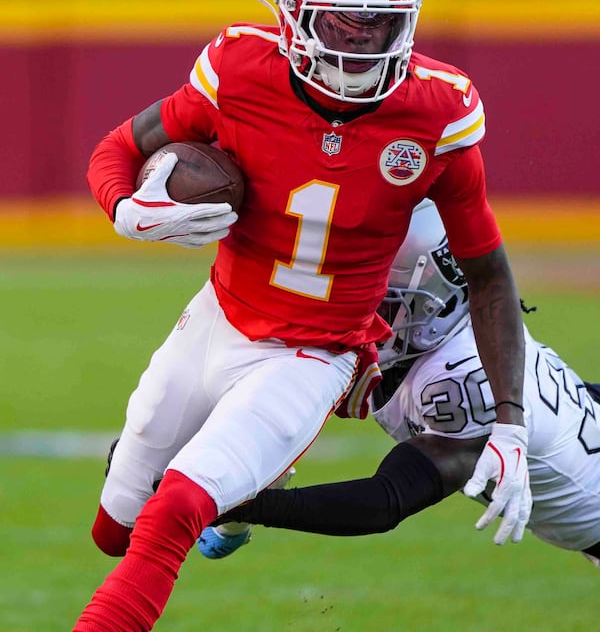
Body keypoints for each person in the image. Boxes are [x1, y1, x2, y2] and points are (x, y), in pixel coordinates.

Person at [74, 0, 531, 631]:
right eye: (340, 25)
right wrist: (124, 207)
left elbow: (491, 274)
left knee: (178, 507)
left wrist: (509, 422)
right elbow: (117, 147)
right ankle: (225, 507)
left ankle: (213, 502)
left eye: (377, 26)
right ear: (292, 16)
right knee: (115, 530)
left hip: (316, 352)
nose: (360, 45)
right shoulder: (239, 69)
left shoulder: (436, 111)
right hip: (219, 318)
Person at [213, 199, 600, 569]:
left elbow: (385, 500)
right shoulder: (459, 331)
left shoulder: (461, 382)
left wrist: (246, 506)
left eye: (373, 297)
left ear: (431, 300)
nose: (352, 305)